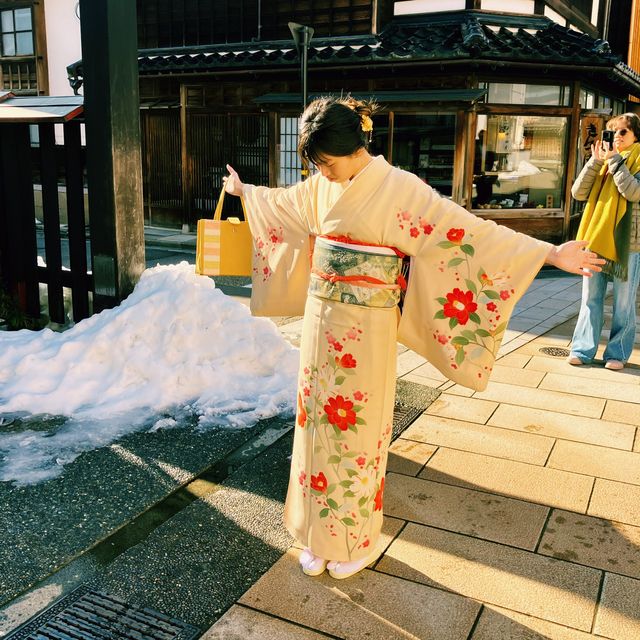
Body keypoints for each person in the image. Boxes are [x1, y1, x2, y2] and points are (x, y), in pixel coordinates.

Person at [223, 96, 603, 580]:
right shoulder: (321, 187)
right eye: (315, 165)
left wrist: (549, 252)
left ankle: (356, 539)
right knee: (314, 425)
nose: (321, 172)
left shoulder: (400, 188)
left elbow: (466, 231)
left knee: (357, 428)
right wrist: (244, 191)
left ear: (354, 147)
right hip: (321, 327)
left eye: (325, 161)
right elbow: (282, 203)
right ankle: (315, 532)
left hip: (367, 330)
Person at [567, 112, 640, 370]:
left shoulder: (637, 160)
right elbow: (578, 192)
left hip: (628, 243)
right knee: (591, 298)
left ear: (635, 136)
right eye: (612, 132)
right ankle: (582, 349)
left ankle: (617, 354)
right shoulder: (604, 161)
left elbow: (633, 192)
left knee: (623, 303)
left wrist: (615, 161)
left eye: (623, 132)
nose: (617, 137)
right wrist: (595, 163)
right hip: (595, 240)